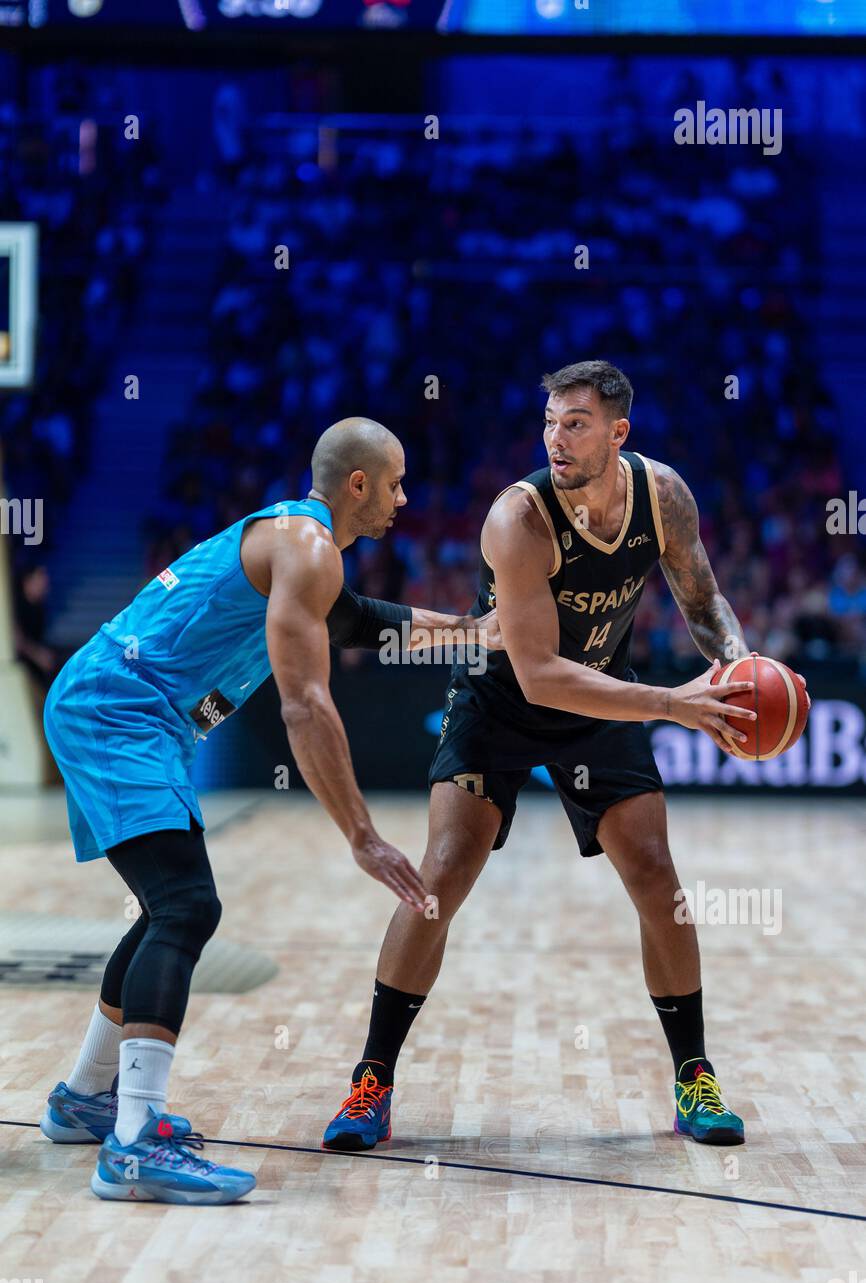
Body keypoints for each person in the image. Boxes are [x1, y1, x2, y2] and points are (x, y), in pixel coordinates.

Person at [322, 361, 808, 1154]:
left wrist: (736, 676)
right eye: (549, 420)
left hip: (599, 693)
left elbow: (702, 599)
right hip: (503, 693)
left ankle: (694, 1076)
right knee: (441, 874)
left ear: (619, 433)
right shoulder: (517, 518)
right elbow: (541, 675)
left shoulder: (663, 497)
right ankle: (371, 1079)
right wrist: (671, 703)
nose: (556, 437)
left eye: (575, 423)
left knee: (657, 874)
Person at [41, 417, 493, 1204]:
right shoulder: (308, 549)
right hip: (120, 710)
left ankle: (86, 1097)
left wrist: (475, 636)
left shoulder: (303, 554)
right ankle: (136, 1140)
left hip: (130, 711)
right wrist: (361, 835)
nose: (404, 497)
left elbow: (363, 623)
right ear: (359, 484)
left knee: (163, 912)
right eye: (395, 482)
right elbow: (306, 707)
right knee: (185, 906)